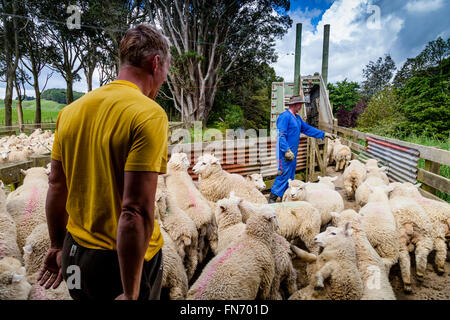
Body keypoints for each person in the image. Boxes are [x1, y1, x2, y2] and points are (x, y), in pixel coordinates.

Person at [37, 24, 171, 300]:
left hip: (75, 253)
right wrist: (131, 292)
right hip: (123, 263)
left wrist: (56, 245)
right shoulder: (148, 114)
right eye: (166, 70)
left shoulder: (71, 112)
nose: (164, 78)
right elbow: (134, 211)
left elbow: (56, 184)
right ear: (156, 63)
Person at [269, 94, 336, 203]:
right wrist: (286, 150)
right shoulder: (284, 117)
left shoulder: (297, 118)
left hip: (292, 154)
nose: (301, 107)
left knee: (290, 178)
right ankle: (271, 200)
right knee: (283, 175)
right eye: (300, 104)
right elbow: (281, 135)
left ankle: (286, 198)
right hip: (284, 154)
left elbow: (307, 129)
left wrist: (323, 134)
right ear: (295, 104)